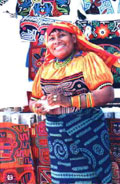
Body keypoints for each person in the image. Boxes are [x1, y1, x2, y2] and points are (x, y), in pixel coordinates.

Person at [29, 21, 120, 184]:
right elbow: (34, 99)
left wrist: (68, 101)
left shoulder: (88, 60)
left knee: (91, 178)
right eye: (51, 38)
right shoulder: (46, 68)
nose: (56, 41)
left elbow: (107, 94)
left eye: (62, 35)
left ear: (73, 38)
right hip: (58, 141)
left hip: (87, 134)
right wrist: (37, 107)